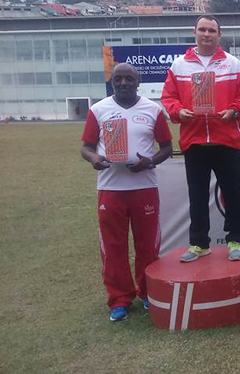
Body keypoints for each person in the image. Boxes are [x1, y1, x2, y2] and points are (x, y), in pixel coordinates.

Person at [80, 63, 173, 322]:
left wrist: (150, 161)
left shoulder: (152, 109)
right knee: (113, 247)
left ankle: (147, 292)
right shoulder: (98, 110)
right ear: (111, 82)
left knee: (147, 246)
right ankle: (119, 300)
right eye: (118, 79)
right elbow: (85, 147)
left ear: (138, 82)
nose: (123, 83)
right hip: (110, 188)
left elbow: (167, 148)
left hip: (144, 187)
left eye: (128, 79)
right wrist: (94, 159)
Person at [161, 14, 240, 263]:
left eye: (212, 30)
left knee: (233, 193)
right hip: (194, 140)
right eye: (202, 30)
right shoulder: (179, 66)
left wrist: (233, 111)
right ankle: (199, 243)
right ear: (195, 33)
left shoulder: (233, 64)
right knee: (197, 194)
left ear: (219, 35)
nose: (207, 34)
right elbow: (168, 98)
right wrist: (178, 111)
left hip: (227, 139)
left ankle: (236, 239)